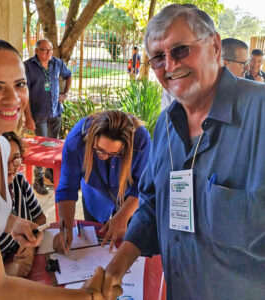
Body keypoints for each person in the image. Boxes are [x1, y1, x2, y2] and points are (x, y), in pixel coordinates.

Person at [102, 4, 265, 300]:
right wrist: (115, 268)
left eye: (180, 50)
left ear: (215, 45)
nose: (171, 65)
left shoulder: (260, 114)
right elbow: (153, 203)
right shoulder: (165, 125)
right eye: (158, 58)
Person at [0, 37, 118, 300]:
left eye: (20, 84)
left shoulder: (0, 146)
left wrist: (12, 222)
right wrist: (88, 297)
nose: (13, 98)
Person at [53, 110, 151, 253]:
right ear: (91, 139)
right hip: (95, 194)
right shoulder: (76, 140)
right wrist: (66, 228)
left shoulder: (141, 140)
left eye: (114, 154)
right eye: (99, 150)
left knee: (127, 243)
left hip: (129, 199)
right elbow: (67, 188)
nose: (105, 157)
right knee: (96, 242)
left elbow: (143, 186)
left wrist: (123, 217)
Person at [24, 38, 72, 195]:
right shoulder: (28, 66)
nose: (47, 53)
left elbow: (68, 75)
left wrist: (65, 94)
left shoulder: (57, 63)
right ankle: (38, 180)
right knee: (41, 148)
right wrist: (29, 118)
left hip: (55, 112)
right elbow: (24, 94)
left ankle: (49, 172)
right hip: (38, 114)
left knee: (53, 146)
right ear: (36, 51)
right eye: (44, 50)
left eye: (50, 50)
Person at [1, 131, 46, 277]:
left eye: (16, 159)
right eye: (2, 159)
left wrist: (30, 246)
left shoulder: (19, 182)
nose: (10, 167)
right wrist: (11, 270)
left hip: (19, 259)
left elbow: (40, 218)